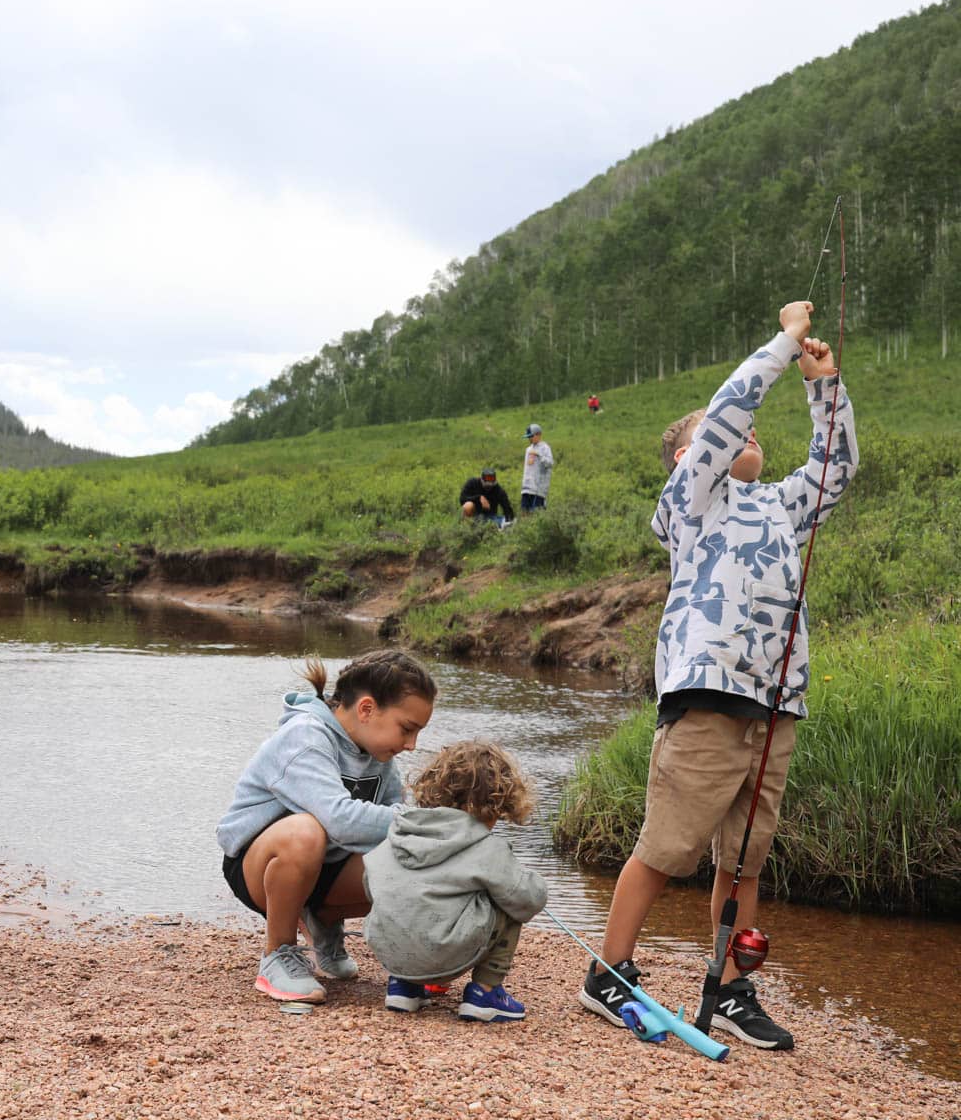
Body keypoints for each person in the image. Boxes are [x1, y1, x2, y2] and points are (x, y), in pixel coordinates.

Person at [580, 301, 856, 1051]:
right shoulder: (689, 504)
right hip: (706, 692)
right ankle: (609, 970)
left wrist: (824, 387)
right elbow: (734, 409)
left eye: (751, 433)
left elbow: (835, 469)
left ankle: (731, 988)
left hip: (775, 703)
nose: (747, 434)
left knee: (745, 860)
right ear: (686, 458)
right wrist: (783, 343)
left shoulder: (780, 507)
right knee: (666, 845)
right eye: (723, 432)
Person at [216, 650, 438, 1003]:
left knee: (411, 855)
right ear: (366, 709)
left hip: (326, 868)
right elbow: (341, 820)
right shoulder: (305, 736)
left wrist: (443, 836)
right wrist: (427, 824)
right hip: (258, 867)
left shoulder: (378, 754)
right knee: (307, 831)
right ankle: (278, 954)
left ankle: (322, 921)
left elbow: (397, 822)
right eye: (407, 729)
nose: (411, 745)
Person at [362, 741, 548, 1022]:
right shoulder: (487, 847)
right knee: (507, 899)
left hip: (391, 952)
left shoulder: (402, 833)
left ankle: (404, 986)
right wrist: (529, 880)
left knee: (402, 892)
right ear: (496, 804)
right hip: (449, 953)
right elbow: (528, 900)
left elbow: (369, 881)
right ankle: (485, 992)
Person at [520, 424, 554, 512]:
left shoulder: (545, 448)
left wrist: (539, 455)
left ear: (538, 435)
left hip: (538, 489)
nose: (529, 439)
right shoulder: (528, 449)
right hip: (527, 488)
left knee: (537, 513)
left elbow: (550, 463)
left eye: (531, 436)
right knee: (524, 512)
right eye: (528, 437)